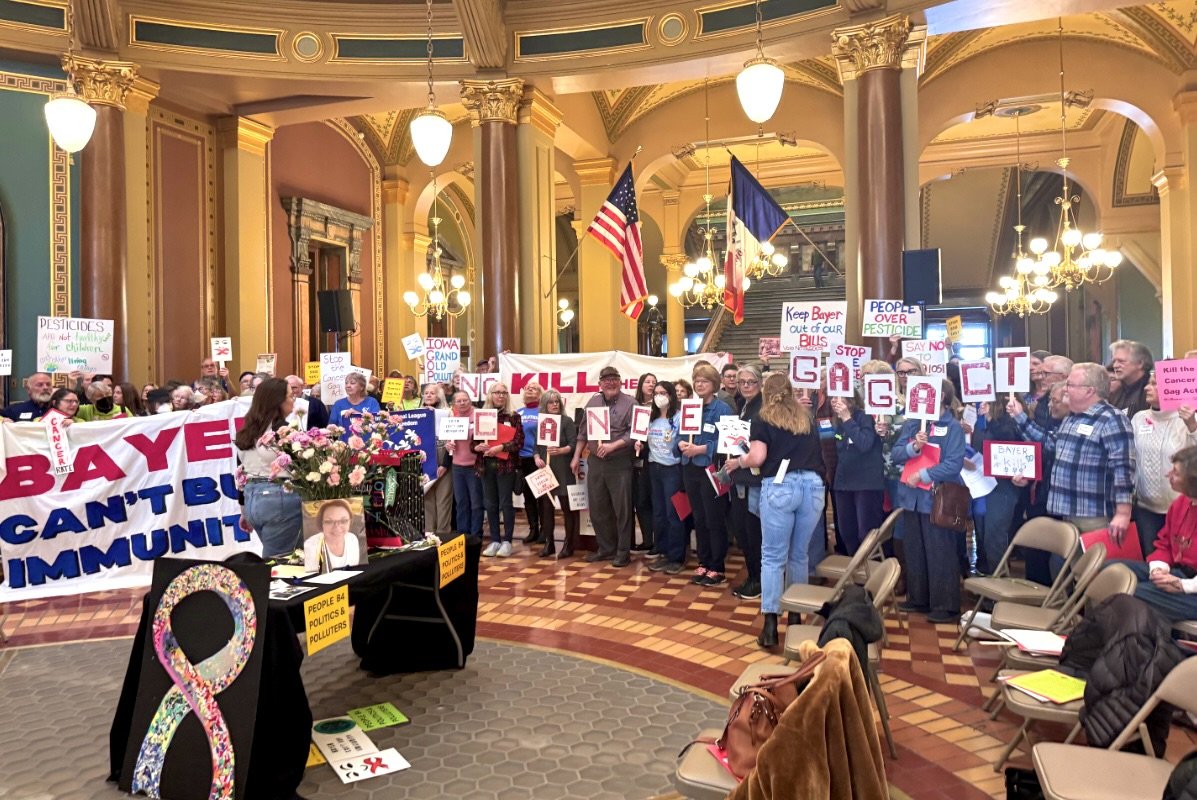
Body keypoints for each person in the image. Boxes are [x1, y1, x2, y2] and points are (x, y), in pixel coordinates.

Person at [732, 372, 826, 648]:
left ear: (764, 390)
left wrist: (740, 460)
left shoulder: (763, 417)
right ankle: (795, 617)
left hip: (781, 486)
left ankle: (770, 624)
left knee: (772, 557)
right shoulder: (805, 417)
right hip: (812, 486)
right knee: (799, 555)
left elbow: (758, 457)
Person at [1011, 362, 1135, 538]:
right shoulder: (1071, 418)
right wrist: (1030, 473)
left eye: (1070, 385)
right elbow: (1051, 446)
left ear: (1089, 391)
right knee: (1074, 565)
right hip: (1068, 511)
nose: (1065, 389)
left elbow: (1123, 469)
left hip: (1095, 515)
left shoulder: (1112, 420)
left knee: (1098, 565)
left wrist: (1123, 513)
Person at [892, 379, 967, 624]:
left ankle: (945, 605)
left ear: (942, 396)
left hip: (937, 497)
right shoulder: (913, 423)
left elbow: (953, 463)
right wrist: (914, 446)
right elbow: (896, 454)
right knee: (915, 549)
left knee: (940, 552)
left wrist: (924, 475)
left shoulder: (952, 426)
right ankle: (919, 597)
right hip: (911, 498)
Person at [1115, 446, 1197, 622]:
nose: (1169, 475)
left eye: (1176, 472)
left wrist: (1182, 585)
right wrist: (1158, 568)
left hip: (1192, 587)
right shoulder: (1181, 503)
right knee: (1109, 571)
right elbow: (1165, 543)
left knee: (1128, 591)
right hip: (1178, 572)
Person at [675, 364, 734, 586]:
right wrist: (679, 443)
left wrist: (702, 449)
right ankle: (704, 561)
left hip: (711, 470)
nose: (699, 384)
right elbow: (679, 435)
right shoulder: (689, 408)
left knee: (714, 518)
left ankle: (717, 566)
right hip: (690, 469)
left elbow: (728, 440)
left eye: (705, 381)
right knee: (698, 518)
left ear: (714, 385)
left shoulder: (723, 409)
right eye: (697, 380)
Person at [572, 365, 636, 567]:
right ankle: (606, 548)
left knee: (622, 510)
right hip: (596, 462)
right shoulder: (593, 402)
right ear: (600, 383)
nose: (610, 382)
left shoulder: (631, 403)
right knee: (598, 508)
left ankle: (623, 552)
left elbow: (634, 434)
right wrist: (575, 457)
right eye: (606, 379)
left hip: (619, 462)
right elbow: (582, 432)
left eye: (614, 378)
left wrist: (613, 446)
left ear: (621, 381)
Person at [1131, 370, 1197, 556]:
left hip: (1182, 508)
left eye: (1153, 384)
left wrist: (1192, 425)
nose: (1146, 387)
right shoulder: (1139, 418)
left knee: (1181, 561)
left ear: (1172, 388)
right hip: (1145, 508)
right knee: (1153, 560)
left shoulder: (1189, 420)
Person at [235, 377, 303, 557]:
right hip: (278, 497)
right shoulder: (283, 431)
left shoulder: (246, 430)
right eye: (290, 396)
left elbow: (241, 473)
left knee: (277, 554)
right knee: (282, 561)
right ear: (277, 402)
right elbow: (303, 467)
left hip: (252, 499)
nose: (292, 400)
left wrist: (243, 509)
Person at [970, 398, 1026, 575]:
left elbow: (1011, 438)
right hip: (980, 481)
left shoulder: (1012, 412)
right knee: (982, 535)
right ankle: (986, 581)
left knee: (994, 537)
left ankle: (998, 586)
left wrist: (991, 421)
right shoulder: (979, 415)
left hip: (1003, 484)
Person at [830, 388, 884, 556]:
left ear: (851, 400)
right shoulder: (836, 421)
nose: (835, 401)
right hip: (844, 482)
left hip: (866, 483)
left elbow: (864, 443)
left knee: (865, 533)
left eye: (839, 397)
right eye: (833, 397)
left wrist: (847, 418)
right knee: (847, 531)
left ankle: (871, 572)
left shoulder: (865, 416)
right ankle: (855, 570)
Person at [727, 365, 764, 600]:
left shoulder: (762, 409)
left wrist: (739, 461)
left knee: (754, 532)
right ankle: (753, 576)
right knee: (743, 531)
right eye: (743, 382)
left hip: (754, 478)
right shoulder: (743, 406)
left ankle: (758, 580)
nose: (747, 386)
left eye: (751, 382)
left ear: (760, 383)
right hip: (740, 476)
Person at [477, 382, 524, 557]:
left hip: (506, 466)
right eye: (497, 392)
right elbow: (474, 441)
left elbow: (518, 442)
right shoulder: (482, 415)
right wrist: (478, 447)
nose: (501, 395)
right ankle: (495, 540)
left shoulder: (514, 416)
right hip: (486, 466)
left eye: (504, 393)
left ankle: (507, 541)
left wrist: (501, 447)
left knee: (506, 503)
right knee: (490, 504)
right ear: (491, 394)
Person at [645, 380, 686, 575]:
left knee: (673, 513)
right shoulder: (651, 418)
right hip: (654, 468)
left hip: (672, 470)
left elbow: (683, 440)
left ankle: (676, 557)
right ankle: (662, 552)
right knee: (659, 513)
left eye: (664, 392)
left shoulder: (678, 417)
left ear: (671, 395)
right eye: (656, 393)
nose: (659, 396)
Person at [533, 389, 578, 558]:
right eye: (551, 402)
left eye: (557, 401)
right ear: (544, 404)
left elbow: (574, 444)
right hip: (547, 470)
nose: (554, 405)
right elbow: (536, 447)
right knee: (546, 508)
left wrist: (561, 450)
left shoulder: (567, 421)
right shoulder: (541, 423)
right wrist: (537, 457)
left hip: (564, 469)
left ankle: (568, 544)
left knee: (567, 508)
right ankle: (549, 542)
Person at [446, 389, 484, 537]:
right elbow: (447, 439)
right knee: (461, 503)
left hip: (474, 465)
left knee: (476, 503)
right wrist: (448, 445)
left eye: (465, 400)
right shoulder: (452, 418)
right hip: (457, 466)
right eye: (458, 401)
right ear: (454, 404)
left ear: (470, 400)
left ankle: (475, 536)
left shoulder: (479, 415)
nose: (462, 403)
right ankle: (463, 534)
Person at [423, 383, 453, 536]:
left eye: (432, 393)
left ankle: (443, 534)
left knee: (443, 498)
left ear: (439, 396)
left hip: (442, 454)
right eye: (426, 393)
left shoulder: (447, 413)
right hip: (424, 456)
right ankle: (429, 533)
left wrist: (445, 464)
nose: (428, 395)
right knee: (427, 496)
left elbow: (452, 440)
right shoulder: (418, 413)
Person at [632, 372, 657, 553]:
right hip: (632, 458)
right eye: (647, 381)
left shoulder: (659, 408)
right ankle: (647, 539)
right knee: (639, 502)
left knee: (650, 500)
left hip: (652, 458)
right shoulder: (634, 406)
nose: (650, 385)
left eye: (653, 382)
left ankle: (656, 540)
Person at [516, 381, 543, 545]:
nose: (530, 389)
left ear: (540, 393)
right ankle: (533, 529)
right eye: (527, 388)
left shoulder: (544, 411)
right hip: (522, 460)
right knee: (528, 497)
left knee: (541, 497)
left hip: (538, 459)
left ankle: (545, 531)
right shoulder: (518, 412)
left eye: (534, 388)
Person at [303, 498, 362, 572]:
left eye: (343, 521)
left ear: (350, 521)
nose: (337, 526)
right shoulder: (310, 547)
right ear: (321, 523)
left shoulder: (352, 539)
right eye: (329, 521)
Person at [1109, 339, 1153, 417]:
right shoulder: (1116, 391)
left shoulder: (1153, 390)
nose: (1115, 366)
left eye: (1121, 361)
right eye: (1114, 361)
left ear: (1140, 363)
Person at [329, 372, 381, 437]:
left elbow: (378, 425)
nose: (348, 385)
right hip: (344, 444)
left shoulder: (372, 402)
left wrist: (357, 415)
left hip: (368, 443)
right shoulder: (338, 404)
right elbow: (331, 427)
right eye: (346, 383)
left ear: (362, 387)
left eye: (352, 383)